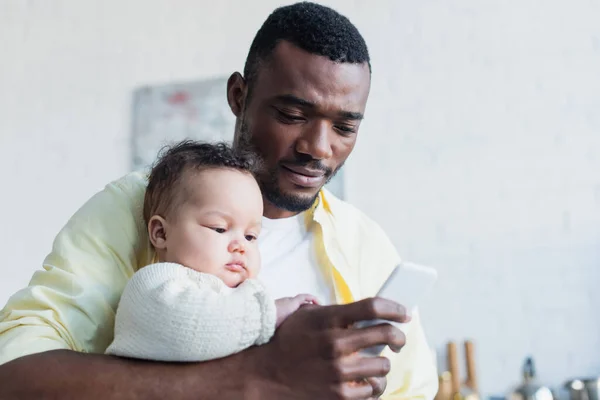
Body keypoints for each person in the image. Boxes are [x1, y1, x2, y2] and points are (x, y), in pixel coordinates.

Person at [0, 2, 438, 399]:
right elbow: (14, 375)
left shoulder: (366, 245)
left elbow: (414, 391)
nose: (319, 148)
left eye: (345, 128)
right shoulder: (137, 207)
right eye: (292, 115)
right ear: (238, 97)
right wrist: (260, 375)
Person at [105, 141, 318, 362]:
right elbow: (190, 328)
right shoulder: (153, 285)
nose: (240, 246)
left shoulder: (244, 296)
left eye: (250, 236)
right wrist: (271, 314)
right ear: (161, 233)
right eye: (220, 228)